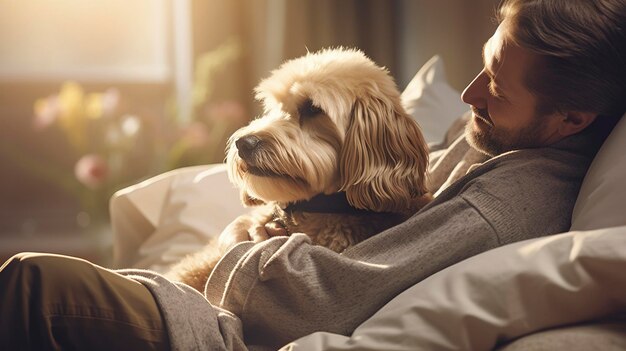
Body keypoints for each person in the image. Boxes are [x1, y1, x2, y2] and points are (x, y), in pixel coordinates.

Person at [1, 0, 625, 349]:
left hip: (222, 330)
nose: (467, 95)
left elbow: (305, 304)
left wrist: (239, 240)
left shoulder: (511, 203)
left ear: (572, 118)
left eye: (496, 87)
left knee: (31, 285)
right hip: (215, 302)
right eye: (482, 66)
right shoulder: (499, 147)